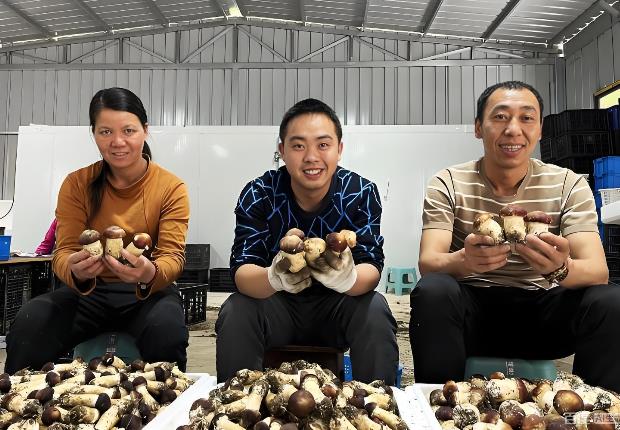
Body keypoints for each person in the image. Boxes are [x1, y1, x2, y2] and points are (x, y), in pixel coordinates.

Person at [410, 80, 620, 391]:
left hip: (543, 319)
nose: (513, 129)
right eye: (500, 117)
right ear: (478, 127)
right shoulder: (448, 182)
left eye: (526, 118)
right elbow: (429, 262)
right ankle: (439, 402)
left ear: (540, 129)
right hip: (470, 320)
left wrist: (560, 269)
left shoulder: (568, 184)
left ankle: (596, 406)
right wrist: (465, 261)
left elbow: (598, 271)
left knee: (610, 301)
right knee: (433, 291)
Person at [5, 87, 190, 373]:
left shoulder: (170, 188)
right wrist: (75, 270)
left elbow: (173, 257)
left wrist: (150, 273)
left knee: (167, 330)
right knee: (31, 321)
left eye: (128, 130)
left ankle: (167, 398)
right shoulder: (77, 184)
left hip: (146, 294)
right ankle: (19, 396)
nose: (117, 142)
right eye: (105, 132)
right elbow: (63, 252)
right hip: (88, 294)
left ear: (145, 130)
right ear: (93, 133)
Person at [216, 98, 399, 384]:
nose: (312, 157)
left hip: (337, 309)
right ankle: (235, 403)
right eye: (299, 146)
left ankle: (377, 403)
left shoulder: (360, 192)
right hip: (276, 308)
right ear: (282, 151)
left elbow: (372, 266)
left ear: (339, 149)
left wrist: (347, 279)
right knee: (236, 309)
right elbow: (242, 271)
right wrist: (274, 277)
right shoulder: (259, 193)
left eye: (323, 144)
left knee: (375, 308)